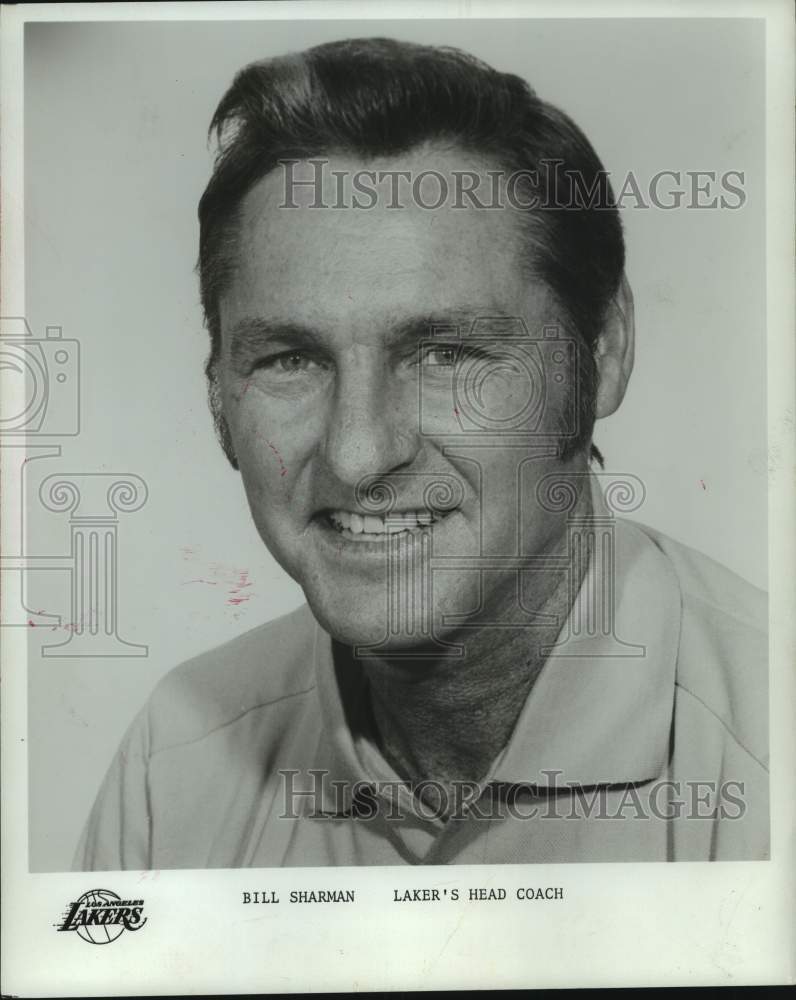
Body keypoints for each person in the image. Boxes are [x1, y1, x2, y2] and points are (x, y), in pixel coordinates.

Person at [74, 37, 767, 870]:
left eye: (446, 354)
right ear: (218, 388)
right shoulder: (175, 761)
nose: (359, 455)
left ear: (605, 351)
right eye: (291, 359)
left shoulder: (772, 750)